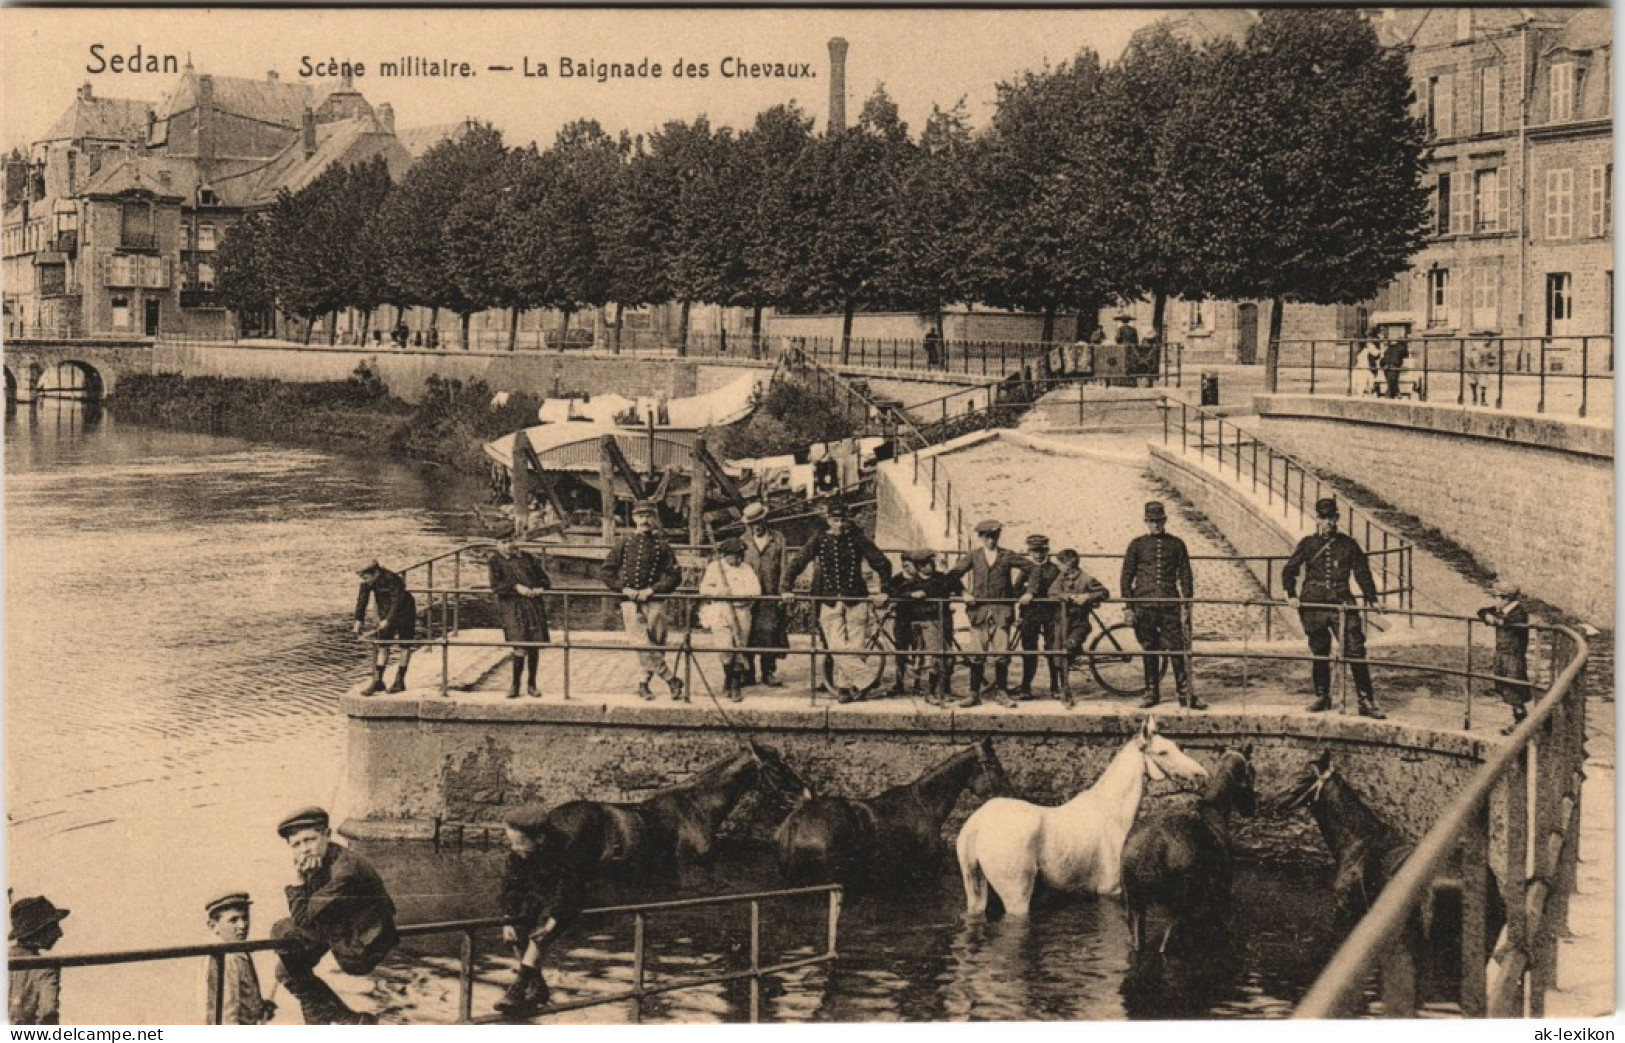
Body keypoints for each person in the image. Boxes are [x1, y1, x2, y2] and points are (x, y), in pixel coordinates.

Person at [271, 807, 397, 1025]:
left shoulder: (345, 871)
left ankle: (345, 1020)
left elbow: (302, 919)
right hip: (348, 928)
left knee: (282, 931)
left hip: (363, 947)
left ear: (327, 835)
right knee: (286, 971)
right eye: (297, 845)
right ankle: (343, 1021)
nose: (305, 849)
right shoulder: (324, 858)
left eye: (310, 840)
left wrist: (298, 879)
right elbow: (311, 913)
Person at [780, 498, 892, 703]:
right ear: (829, 520)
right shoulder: (819, 539)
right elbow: (797, 562)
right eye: (835, 520)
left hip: (856, 598)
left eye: (843, 520)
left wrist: (885, 590)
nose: (840, 525)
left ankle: (844, 689)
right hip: (828, 600)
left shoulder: (858, 539)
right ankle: (867, 680)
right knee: (835, 646)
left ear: (848, 520)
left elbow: (882, 563)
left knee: (855, 646)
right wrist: (786, 588)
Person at [1282, 497, 1385, 719]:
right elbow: (1289, 570)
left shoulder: (1349, 545)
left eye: (1331, 518)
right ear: (1317, 519)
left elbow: (1362, 573)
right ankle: (1322, 696)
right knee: (1320, 651)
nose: (1327, 522)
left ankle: (1365, 700)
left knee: (1356, 650)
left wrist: (1372, 598)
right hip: (1314, 606)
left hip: (1342, 603)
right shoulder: (1308, 544)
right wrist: (1291, 594)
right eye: (1323, 518)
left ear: (1337, 518)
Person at [494, 806, 591, 1018]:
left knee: (539, 935)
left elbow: (568, 892)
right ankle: (538, 988)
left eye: (520, 843)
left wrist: (551, 923)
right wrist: (508, 919)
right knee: (517, 932)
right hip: (536, 897)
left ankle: (518, 988)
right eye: (511, 842)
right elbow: (510, 887)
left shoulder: (567, 852)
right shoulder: (517, 855)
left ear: (539, 839)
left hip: (565, 902)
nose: (515, 848)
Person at [1121, 501, 1203, 710]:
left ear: (1165, 521)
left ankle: (1185, 694)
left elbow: (1185, 573)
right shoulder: (1137, 544)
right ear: (1146, 522)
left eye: (1159, 521)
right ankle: (1151, 692)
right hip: (1144, 603)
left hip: (1169, 603)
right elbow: (1126, 576)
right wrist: (1129, 606)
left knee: (1177, 647)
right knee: (1149, 648)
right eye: (1151, 521)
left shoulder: (1177, 544)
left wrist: (1186, 602)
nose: (1155, 525)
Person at [601, 501, 684, 701]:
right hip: (630, 602)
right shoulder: (623, 543)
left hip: (654, 600)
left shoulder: (662, 546)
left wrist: (652, 590)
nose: (645, 520)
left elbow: (674, 576)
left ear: (654, 519)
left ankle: (643, 684)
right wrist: (624, 589)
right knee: (640, 641)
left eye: (649, 516)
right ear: (634, 518)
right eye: (641, 516)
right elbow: (606, 571)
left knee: (655, 642)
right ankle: (671, 679)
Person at [947, 520, 1034, 709]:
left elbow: (1033, 569)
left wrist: (1029, 592)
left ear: (998, 537)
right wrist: (964, 593)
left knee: (1002, 653)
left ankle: (1001, 692)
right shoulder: (974, 556)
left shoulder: (1007, 555)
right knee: (977, 654)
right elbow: (953, 574)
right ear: (981, 538)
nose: (991, 541)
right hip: (979, 612)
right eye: (987, 537)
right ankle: (973, 694)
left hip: (1002, 611)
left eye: (994, 537)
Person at [884, 549, 963, 703]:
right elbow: (895, 593)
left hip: (944, 621)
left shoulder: (941, 578)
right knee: (937, 658)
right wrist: (910, 595)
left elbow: (954, 585)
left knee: (949, 658)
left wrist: (947, 570)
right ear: (920, 567)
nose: (931, 566)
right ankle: (931, 692)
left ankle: (943, 690)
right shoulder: (913, 583)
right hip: (928, 622)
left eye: (932, 563)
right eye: (927, 564)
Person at [489, 533, 552, 700]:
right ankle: (515, 685)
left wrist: (540, 588)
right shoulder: (495, 561)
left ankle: (532, 684)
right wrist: (516, 587)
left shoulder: (527, 558)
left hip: (532, 605)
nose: (509, 545)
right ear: (497, 544)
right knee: (519, 645)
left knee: (534, 644)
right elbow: (496, 586)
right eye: (504, 542)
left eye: (511, 541)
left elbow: (545, 580)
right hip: (512, 607)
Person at [699, 537, 761, 702]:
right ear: (726, 555)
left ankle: (735, 684)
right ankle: (728, 675)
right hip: (720, 611)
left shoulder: (746, 569)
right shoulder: (715, 568)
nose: (739, 559)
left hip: (741, 612)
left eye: (741, 555)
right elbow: (704, 589)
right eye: (735, 556)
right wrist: (720, 592)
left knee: (739, 647)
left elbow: (755, 591)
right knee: (724, 648)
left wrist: (736, 595)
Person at [202, 892, 276, 1025]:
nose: (242, 926)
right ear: (213, 926)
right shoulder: (225, 958)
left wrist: (260, 1007)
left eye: (245, 918)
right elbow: (227, 1017)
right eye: (233, 920)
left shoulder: (238, 951)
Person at [1014, 534, 1067, 703]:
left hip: (1051, 614)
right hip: (1030, 614)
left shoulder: (1054, 570)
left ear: (1047, 551)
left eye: (1041, 551)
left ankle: (1054, 687)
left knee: (1052, 650)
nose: (1038, 555)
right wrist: (1023, 595)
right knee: (1029, 650)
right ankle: (1026, 687)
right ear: (1029, 552)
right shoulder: (1025, 570)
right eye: (1034, 551)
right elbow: (1016, 591)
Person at [1052, 549, 1111, 701]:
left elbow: (1104, 592)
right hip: (1063, 623)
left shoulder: (1086, 579)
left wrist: (1087, 596)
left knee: (1068, 647)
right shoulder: (1061, 577)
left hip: (1079, 624)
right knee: (1058, 656)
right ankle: (1064, 686)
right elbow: (1052, 592)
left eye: (1061, 564)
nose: (1059, 567)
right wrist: (1068, 597)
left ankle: (1066, 691)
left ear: (1069, 564)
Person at [740, 503, 788, 687]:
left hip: (770, 593)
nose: (757, 527)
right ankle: (748, 672)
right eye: (753, 524)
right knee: (748, 632)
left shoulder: (778, 539)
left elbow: (784, 566)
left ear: (765, 520)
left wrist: (783, 590)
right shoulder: (743, 541)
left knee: (770, 631)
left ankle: (768, 671)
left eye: (759, 522)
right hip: (748, 596)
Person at [354, 560, 416, 695]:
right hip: (385, 611)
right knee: (382, 645)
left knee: (404, 645)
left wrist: (388, 620)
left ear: (375, 573)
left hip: (404, 612)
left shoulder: (393, 579)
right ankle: (378, 681)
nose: (365, 581)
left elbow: (397, 602)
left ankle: (400, 681)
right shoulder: (367, 581)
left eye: (366, 578)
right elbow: (362, 600)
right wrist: (358, 620)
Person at [1478, 583, 1531, 735]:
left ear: (1506, 598)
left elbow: (1507, 623)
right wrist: (1486, 615)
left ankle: (1522, 720)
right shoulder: (1502, 609)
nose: (1495, 601)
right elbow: (1481, 611)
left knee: (1515, 686)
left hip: (1513, 655)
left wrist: (1493, 619)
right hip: (1501, 654)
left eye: (1497, 597)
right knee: (1502, 685)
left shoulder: (1518, 612)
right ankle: (1519, 719)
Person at [9, 896, 68, 1025]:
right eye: (53, 926)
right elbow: (48, 1013)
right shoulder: (46, 967)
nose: (60, 933)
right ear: (39, 930)